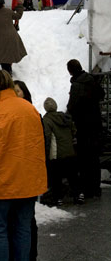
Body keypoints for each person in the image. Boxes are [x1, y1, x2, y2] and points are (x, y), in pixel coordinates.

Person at [0, 70, 47, 261]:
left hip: (5, 181)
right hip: (30, 180)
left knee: (0, 229)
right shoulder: (30, 108)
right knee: (23, 228)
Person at [66, 59, 104, 199]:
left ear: (70, 71)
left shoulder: (77, 85)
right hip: (96, 125)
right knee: (94, 159)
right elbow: (102, 95)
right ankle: (96, 189)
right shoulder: (91, 80)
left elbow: (71, 106)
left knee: (84, 159)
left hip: (83, 127)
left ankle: (87, 189)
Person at [13, 80, 38, 261]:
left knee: (27, 221)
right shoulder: (9, 115)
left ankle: (30, 255)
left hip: (28, 175)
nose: (16, 95)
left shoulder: (32, 114)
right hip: (14, 176)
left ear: (25, 93)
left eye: (18, 91)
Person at [42, 97, 81, 206]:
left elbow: (47, 136)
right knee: (72, 175)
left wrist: (46, 153)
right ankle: (78, 195)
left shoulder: (47, 120)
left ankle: (58, 198)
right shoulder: (65, 117)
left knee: (56, 178)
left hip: (56, 154)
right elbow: (74, 131)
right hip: (70, 152)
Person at [0, 0, 27, 76]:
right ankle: (8, 70)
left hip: (0, 40)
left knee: (3, 56)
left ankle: (7, 75)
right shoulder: (8, 11)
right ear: (3, 4)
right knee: (8, 54)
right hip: (13, 37)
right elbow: (18, 16)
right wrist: (20, 5)